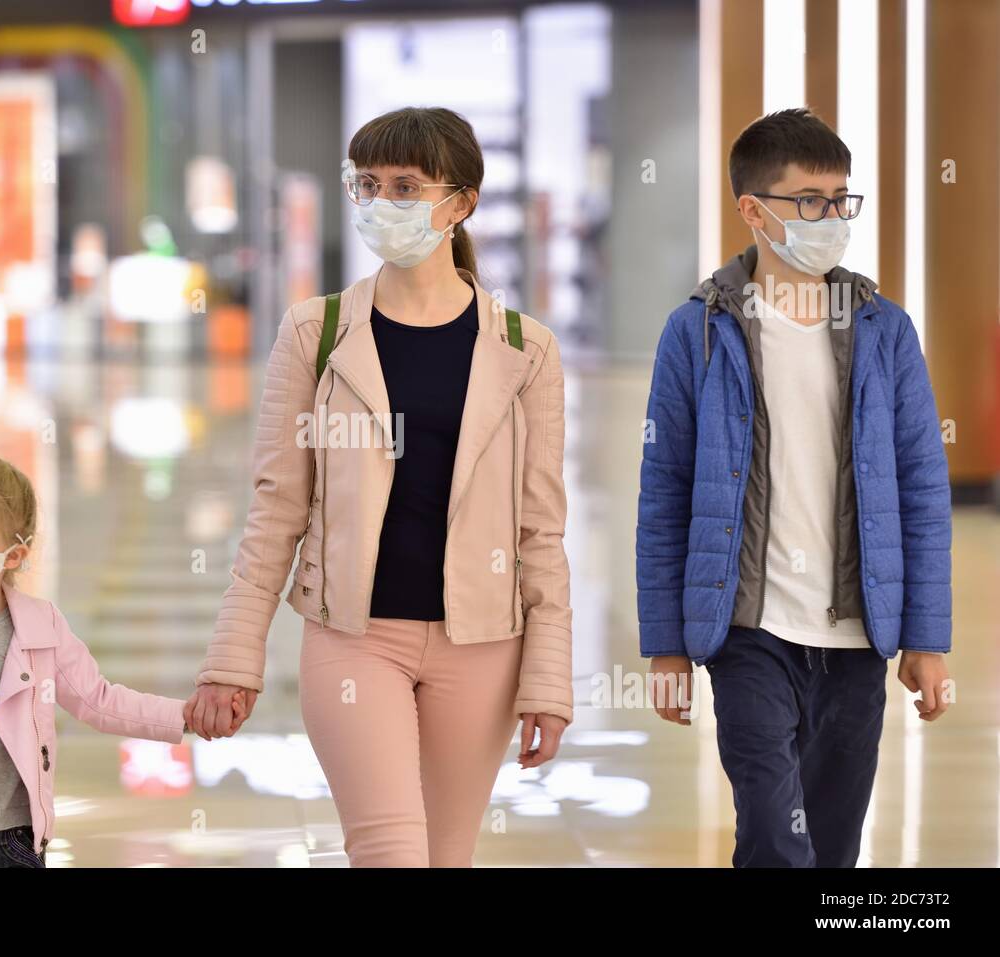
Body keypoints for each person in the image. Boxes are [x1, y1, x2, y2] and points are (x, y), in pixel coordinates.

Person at [186, 106, 573, 867]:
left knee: (446, 856)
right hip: (355, 639)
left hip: (484, 646)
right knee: (390, 851)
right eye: (367, 184)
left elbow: (541, 531)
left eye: (405, 186)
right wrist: (234, 656)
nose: (381, 202)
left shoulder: (527, 351)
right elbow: (278, 505)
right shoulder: (316, 333)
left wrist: (549, 680)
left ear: (459, 203)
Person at [638, 108, 953, 867]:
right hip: (749, 630)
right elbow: (665, 487)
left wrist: (927, 637)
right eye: (810, 200)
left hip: (856, 636)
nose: (832, 217)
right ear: (753, 210)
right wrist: (665, 647)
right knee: (779, 839)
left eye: (841, 199)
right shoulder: (701, 330)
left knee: (834, 847)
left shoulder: (885, 329)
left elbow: (921, 485)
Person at [0, 451, 241, 867]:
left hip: (14, 843)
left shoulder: (42, 628)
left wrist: (184, 716)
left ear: (14, 555)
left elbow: (99, 701)